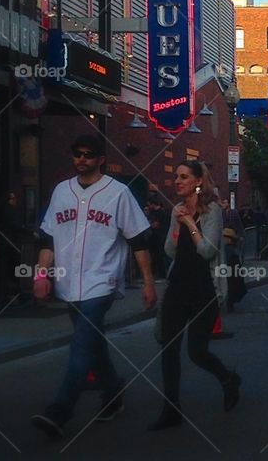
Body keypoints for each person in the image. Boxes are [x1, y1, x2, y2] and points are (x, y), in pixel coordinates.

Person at [30, 135, 157, 438]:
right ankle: (113, 390)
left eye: (88, 154)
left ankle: (59, 411)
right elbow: (48, 239)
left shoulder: (118, 193)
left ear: (100, 158)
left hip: (102, 281)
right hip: (68, 281)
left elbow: (138, 240)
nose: (81, 159)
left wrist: (149, 283)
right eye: (77, 154)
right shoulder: (62, 191)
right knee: (92, 343)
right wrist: (40, 275)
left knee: (81, 344)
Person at [148, 160, 240, 431]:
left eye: (184, 176)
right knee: (169, 347)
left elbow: (207, 250)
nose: (177, 181)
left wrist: (189, 222)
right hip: (177, 286)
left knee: (197, 352)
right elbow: (169, 251)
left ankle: (228, 379)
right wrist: (177, 224)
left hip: (204, 288)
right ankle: (171, 407)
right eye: (176, 176)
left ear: (198, 181)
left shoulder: (211, 210)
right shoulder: (176, 209)